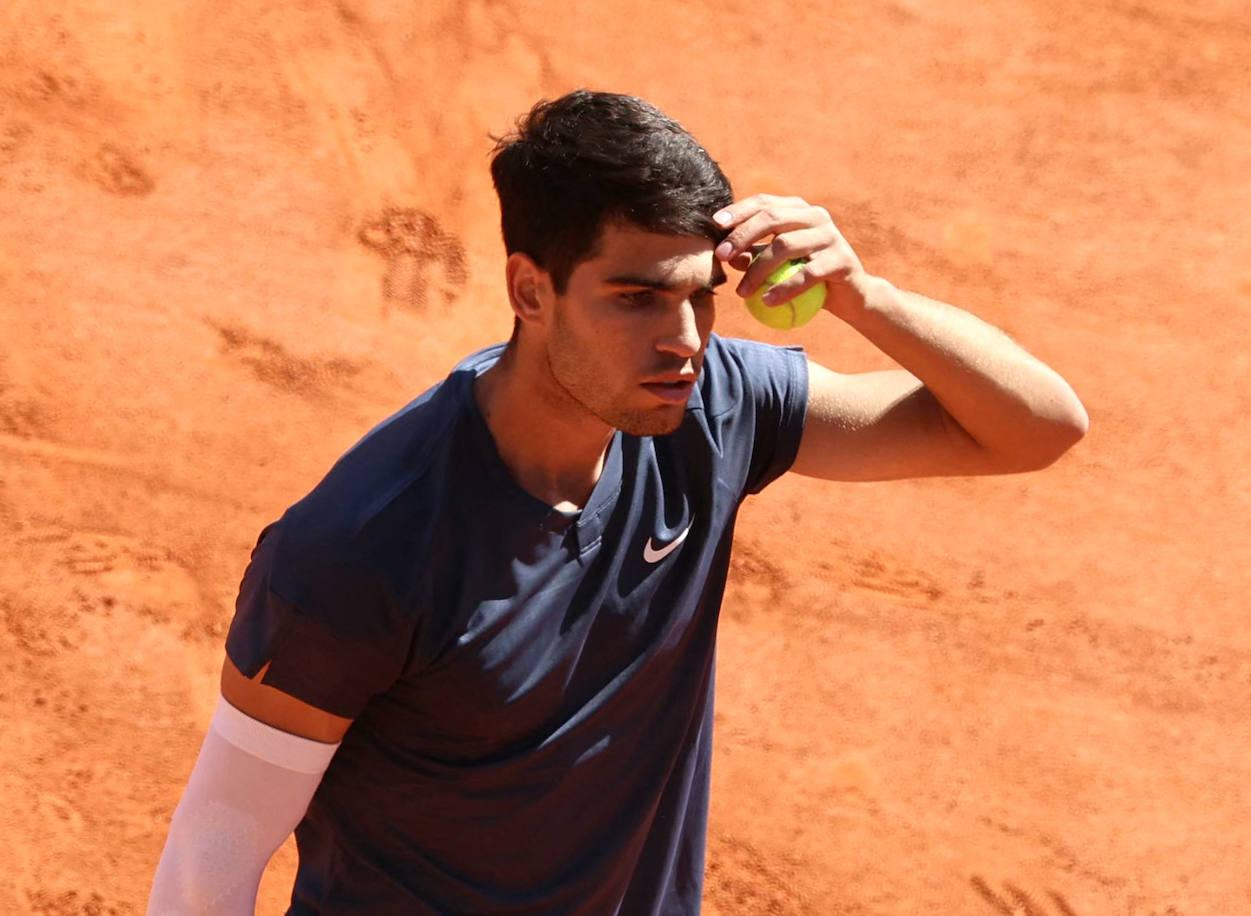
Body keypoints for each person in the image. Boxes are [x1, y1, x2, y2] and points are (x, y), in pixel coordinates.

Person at [147, 89, 1088, 915]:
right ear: (530, 290)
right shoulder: (362, 553)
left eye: (699, 296)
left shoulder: (715, 407)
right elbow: (209, 865)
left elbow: (1037, 427)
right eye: (636, 298)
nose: (683, 340)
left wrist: (865, 297)